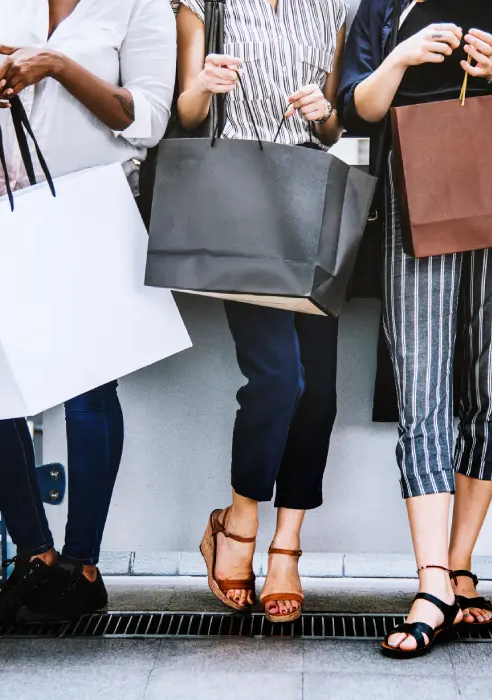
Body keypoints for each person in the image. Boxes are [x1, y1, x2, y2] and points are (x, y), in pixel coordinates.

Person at [338, 0, 492, 657]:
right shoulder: (385, 4)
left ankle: (460, 564)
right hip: (416, 190)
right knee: (422, 383)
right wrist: (403, 57)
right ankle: (432, 579)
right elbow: (357, 105)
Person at [0, 0, 175, 623]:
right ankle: (35, 556)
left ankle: (82, 567)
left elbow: (147, 119)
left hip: (90, 212)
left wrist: (56, 65)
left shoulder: (142, 6)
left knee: (88, 393)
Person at [175, 0, 348, 624]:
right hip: (238, 197)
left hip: (312, 194)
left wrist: (324, 113)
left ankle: (286, 548)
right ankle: (238, 520)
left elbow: (331, 128)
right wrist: (203, 85)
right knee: (278, 378)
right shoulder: (204, 3)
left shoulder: (334, 7)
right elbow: (189, 111)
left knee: (320, 392)